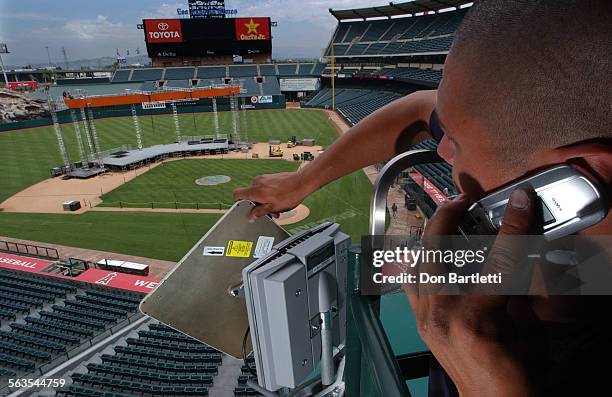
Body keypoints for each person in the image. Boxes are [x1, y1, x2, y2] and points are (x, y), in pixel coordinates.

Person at [235, 1, 611, 395]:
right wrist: (303, 180)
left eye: (457, 140)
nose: (441, 150)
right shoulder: (573, 266)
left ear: (587, 174)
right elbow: (417, 109)